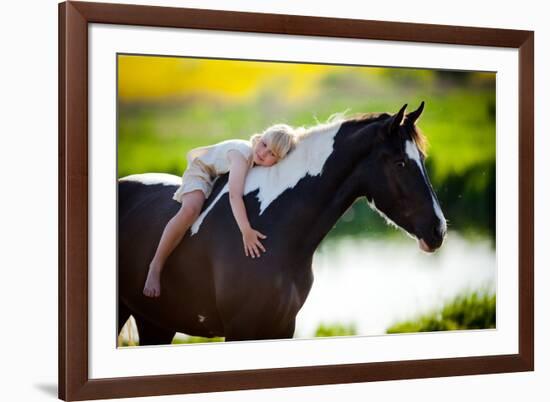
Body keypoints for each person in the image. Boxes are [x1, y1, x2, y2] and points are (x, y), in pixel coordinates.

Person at [143, 124, 298, 297]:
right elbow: (234, 196)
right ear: (259, 138)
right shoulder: (242, 156)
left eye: (272, 154)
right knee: (191, 210)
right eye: (264, 145)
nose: (263, 153)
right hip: (202, 171)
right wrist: (246, 230)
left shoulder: (256, 159)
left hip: (218, 177)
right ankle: (155, 266)